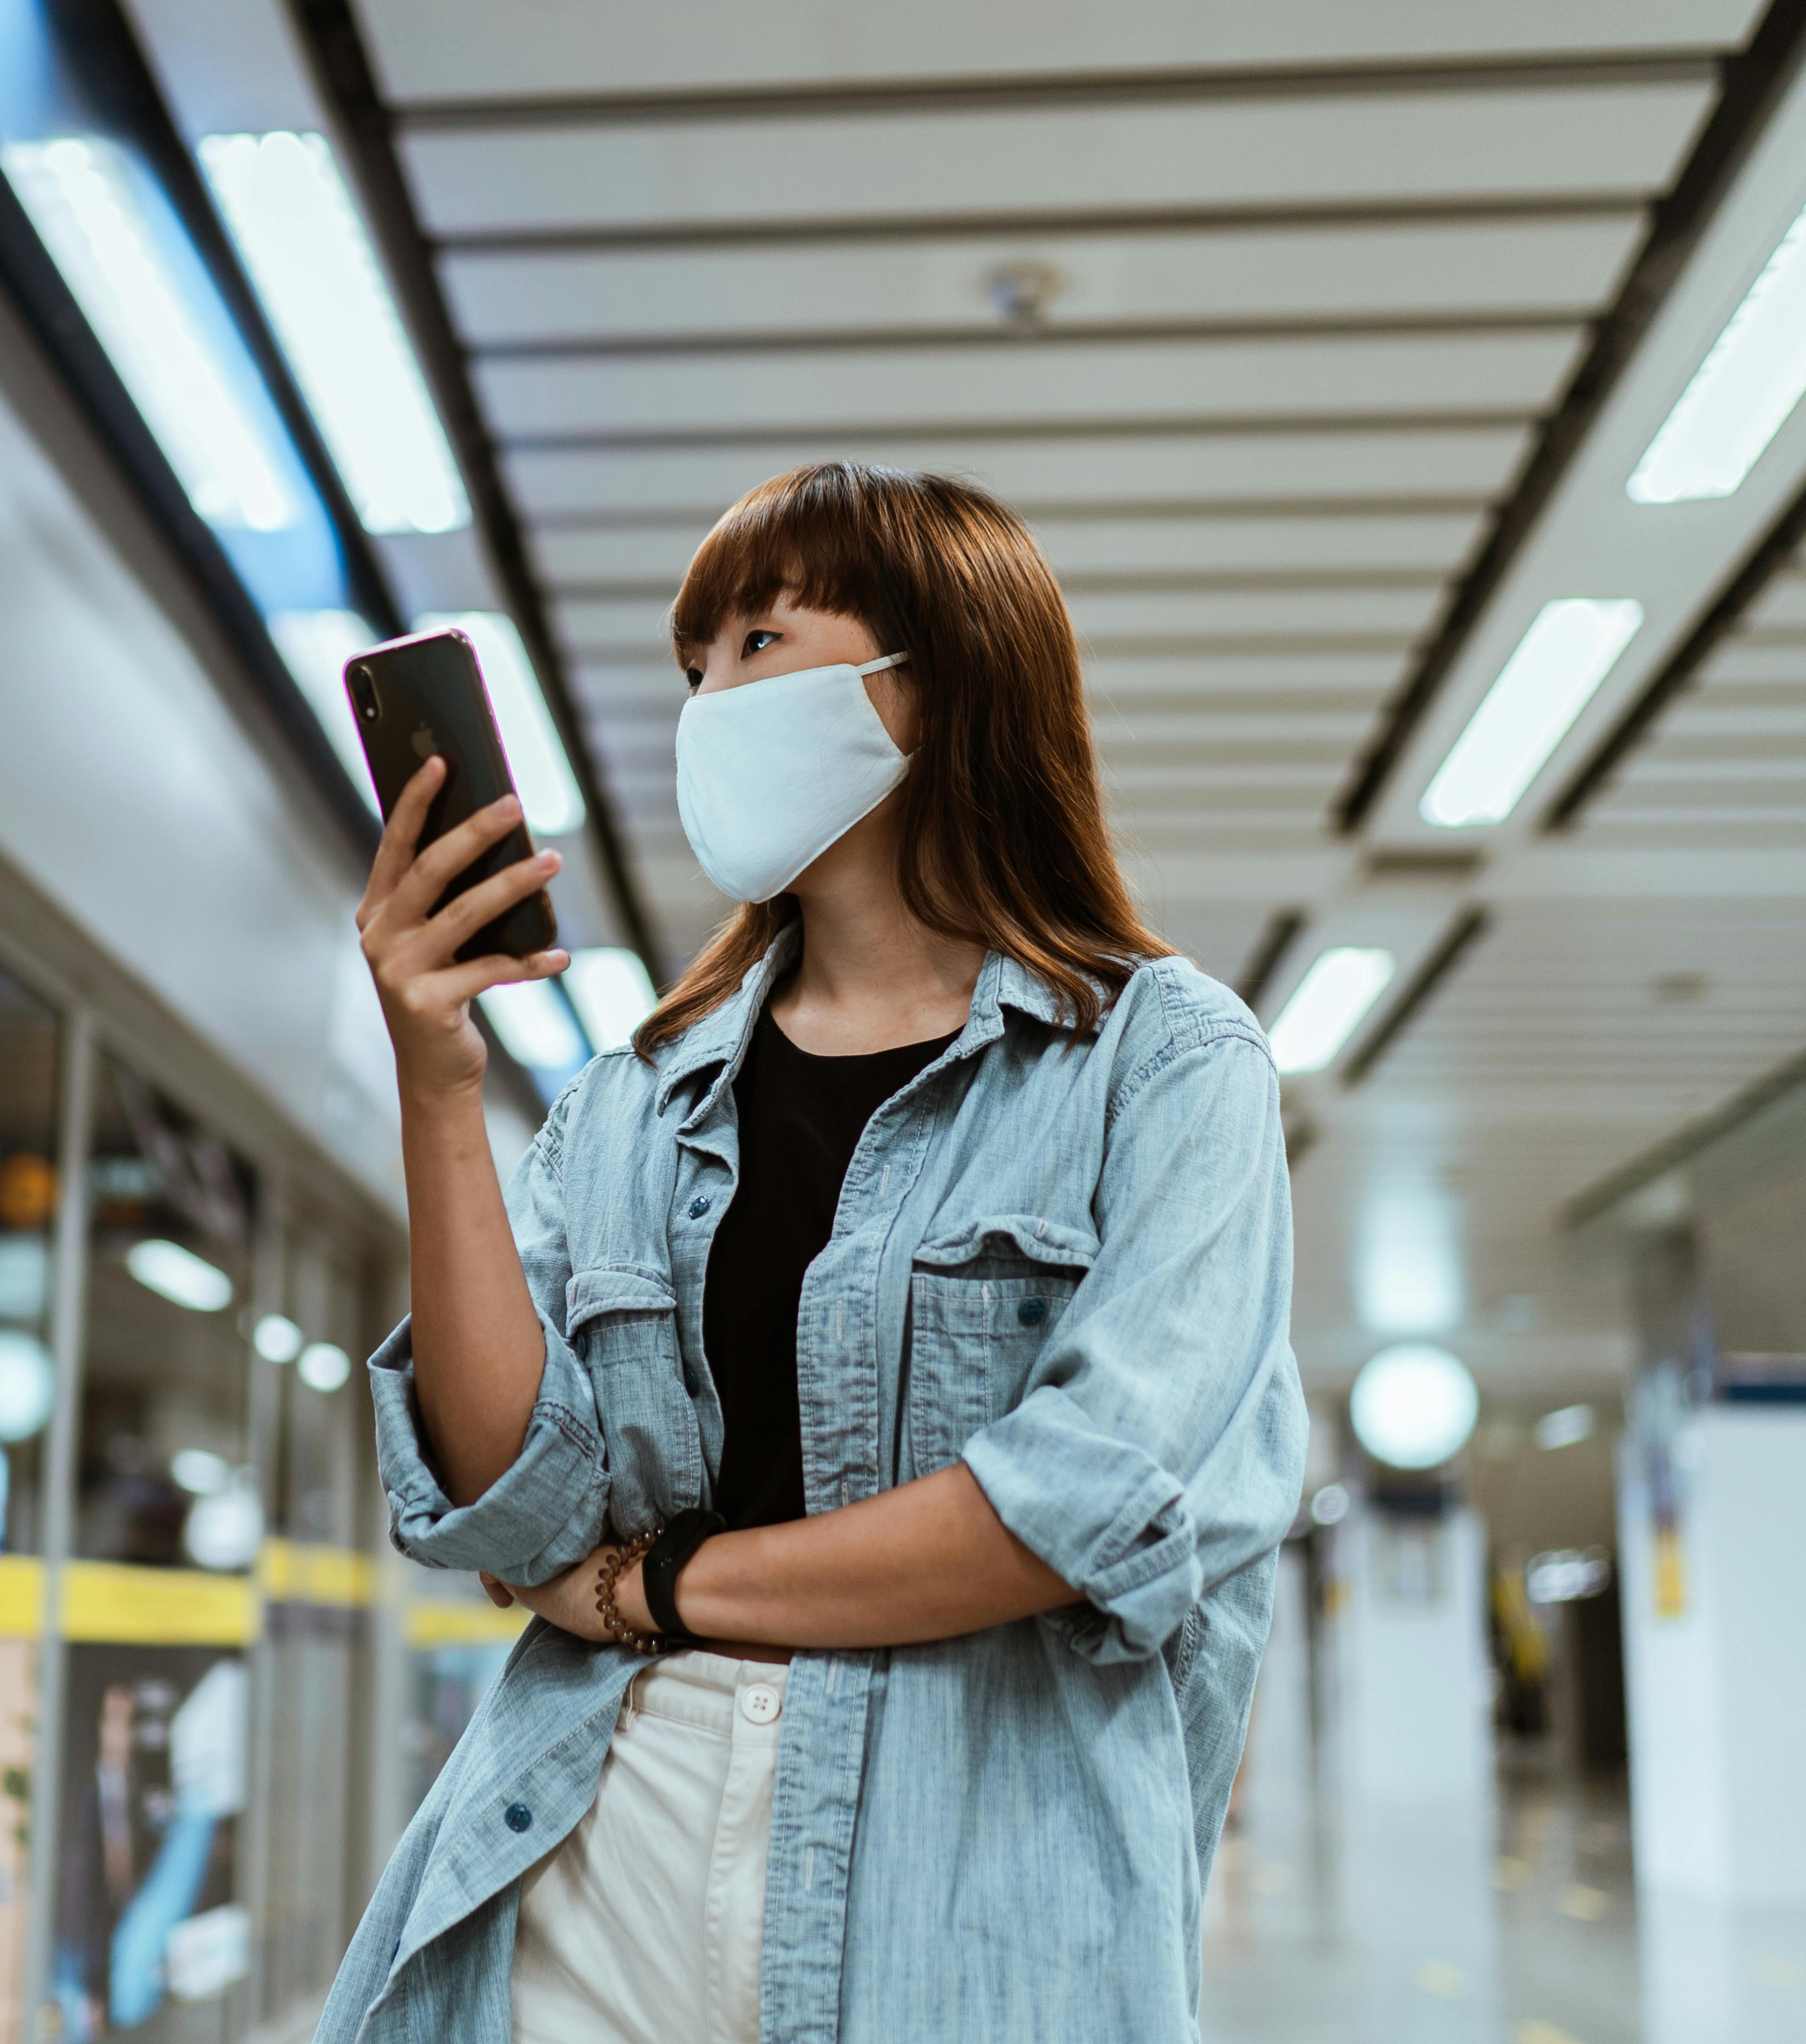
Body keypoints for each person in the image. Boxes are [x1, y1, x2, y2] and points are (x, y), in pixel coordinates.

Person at [316, 462, 1305, 2043]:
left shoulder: (1163, 1062)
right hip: (595, 1853)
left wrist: (659, 1587)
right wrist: (438, 1077)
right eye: (691, 664)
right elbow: (513, 1502)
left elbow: (1079, 1505)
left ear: (932, 687)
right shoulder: (634, 1097)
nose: (708, 701)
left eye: (760, 644)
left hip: (958, 1892)